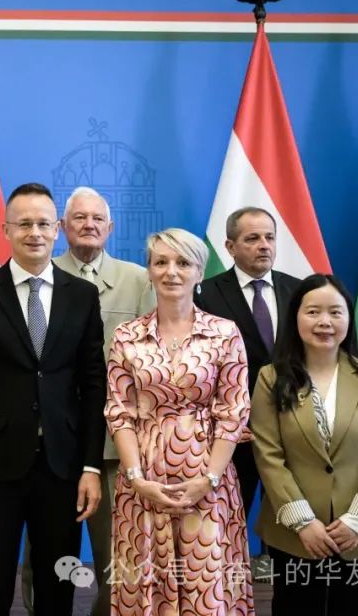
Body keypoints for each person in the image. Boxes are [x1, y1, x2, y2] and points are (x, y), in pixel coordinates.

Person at [0, 182, 106, 616]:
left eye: (42, 224)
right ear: (6, 230)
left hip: (63, 465)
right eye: (24, 224)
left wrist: (91, 466)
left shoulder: (82, 295)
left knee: (59, 583)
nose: (34, 233)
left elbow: (94, 384)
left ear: (57, 229)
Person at [105, 227, 253, 615]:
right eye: (161, 262)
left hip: (207, 478)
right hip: (143, 480)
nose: (171, 271)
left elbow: (234, 412)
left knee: (207, 586)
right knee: (144, 587)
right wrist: (137, 479)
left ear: (200, 272)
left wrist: (209, 479)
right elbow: (119, 412)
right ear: (149, 271)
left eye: (183, 263)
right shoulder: (126, 336)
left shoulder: (224, 333)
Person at [251, 274, 358, 616]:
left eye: (335, 312)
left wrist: (357, 520)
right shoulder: (271, 378)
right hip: (295, 533)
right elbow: (268, 454)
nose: (324, 321)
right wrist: (303, 522)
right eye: (313, 312)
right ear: (295, 317)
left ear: (349, 319)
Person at [37, 186, 155, 616]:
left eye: (97, 219)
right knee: (46, 552)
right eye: (79, 218)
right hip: (51, 438)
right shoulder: (39, 275)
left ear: (110, 227)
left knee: (118, 552)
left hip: (114, 443)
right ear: (61, 227)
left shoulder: (139, 280)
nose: (89, 225)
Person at [195, 207, 300, 516]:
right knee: (227, 519)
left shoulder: (299, 291)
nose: (264, 245)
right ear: (230, 246)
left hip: (292, 426)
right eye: (252, 238)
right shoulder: (205, 294)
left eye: (270, 237)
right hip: (233, 433)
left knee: (291, 522)